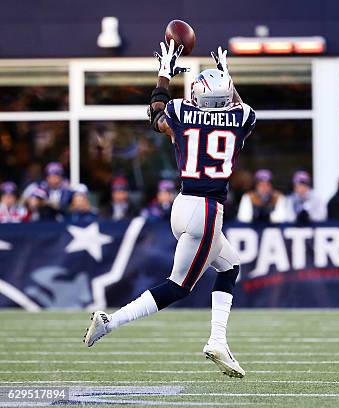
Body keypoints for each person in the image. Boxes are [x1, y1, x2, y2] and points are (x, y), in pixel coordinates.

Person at [84, 44, 255, 379]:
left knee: (230, 265)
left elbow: (156, 111)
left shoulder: (179, 111)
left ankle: (218, 339)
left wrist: (165, 71)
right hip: (207, 211)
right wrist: (227, 75)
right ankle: (110, 322)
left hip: (183, 205)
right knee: (178, 286)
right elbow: (234, 105)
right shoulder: (242, 117)